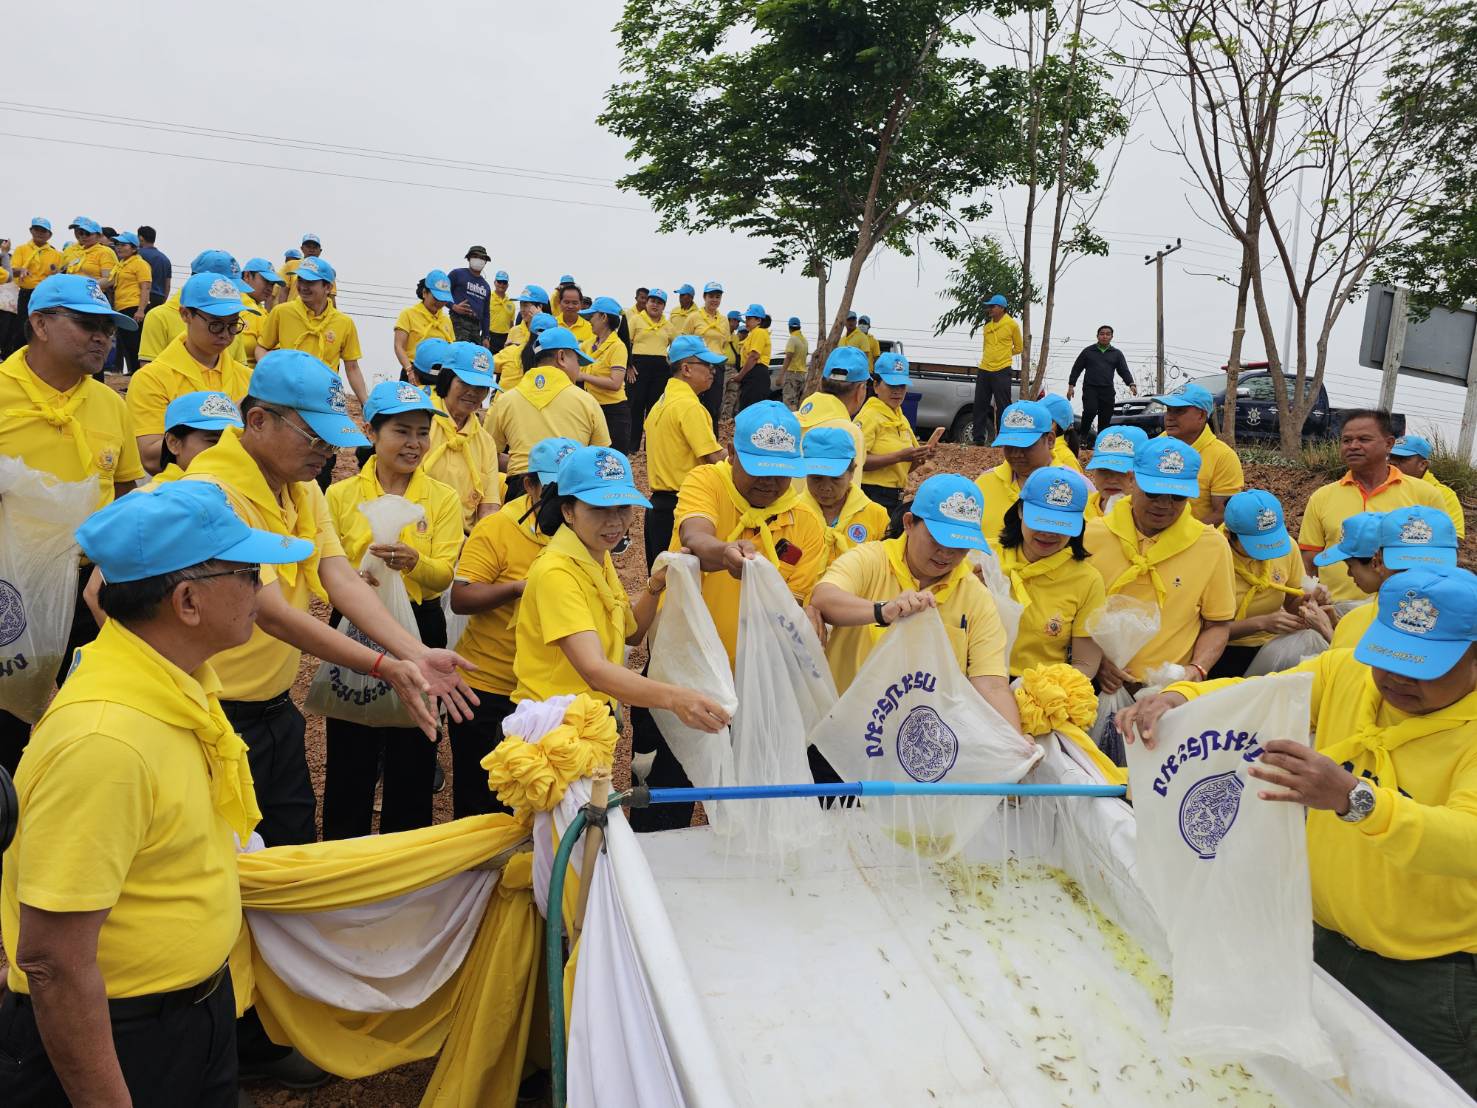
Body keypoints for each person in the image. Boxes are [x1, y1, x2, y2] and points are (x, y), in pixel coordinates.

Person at [0, 481, 314, 1108]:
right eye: (249, 571)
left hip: (191, 1008)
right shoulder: (106, 742)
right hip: (123, 1034)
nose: (264, 587)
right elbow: (54, 962)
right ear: (188, 601)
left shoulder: (177, 682)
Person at [1119, 564, 1477, 1095]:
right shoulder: (1347, 675)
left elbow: (1465, 843)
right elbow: (1256, 697)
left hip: (1425, 976)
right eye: (1389, 658)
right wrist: (1181, 700)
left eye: (1424, 667)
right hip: (1317, 940)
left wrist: (1355, 799)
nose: (1399, 679)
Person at [182, 350, 476, 847]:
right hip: (211, 707)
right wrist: (386, 665)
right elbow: (270, 611)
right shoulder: (214, 495)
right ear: (257, 420)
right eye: (314, 438)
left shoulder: (301, 490)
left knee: (290, 847)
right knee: (220, 856)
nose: (328, 453)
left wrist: (417, 653)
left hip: (273, 707)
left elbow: (335, 573)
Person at [629, 402, 827, 831]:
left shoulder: (805, 521)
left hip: (753, 678)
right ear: (732, 455)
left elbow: (791, 604)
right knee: (670, 780)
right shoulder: (707, 482)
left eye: (781, 470)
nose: (770, 481)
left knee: (748, 788)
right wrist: (726, 553)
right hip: (687, 667)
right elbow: (694, 534)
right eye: (758, 468)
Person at [0, 276, 146, 775]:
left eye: (108, 327)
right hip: (12, 586)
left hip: (91, 586)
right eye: (87, 324)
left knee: (99, 714)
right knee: (5, 717)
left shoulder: (109, 405)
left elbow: (126, 493)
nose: (103, 337)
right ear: (39, 324)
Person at [321, 382, 463, 840]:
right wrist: (354, 581)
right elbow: (323, 566)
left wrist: (415, 562)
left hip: (419, 626)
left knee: (414, 744)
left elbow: (443, 576)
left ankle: (408, 849)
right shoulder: (341, 496)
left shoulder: (441, 498)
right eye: (402, 431)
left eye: (423, 433)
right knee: (350, 740)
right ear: (371, 432)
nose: (415, 444)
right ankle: (346, 850)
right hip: (355, 624)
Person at [515, 444, 729, 727]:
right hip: (553, 727)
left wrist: (655, 585)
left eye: (623, 508)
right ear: (568, 511)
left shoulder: (595, 557)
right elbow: (594, 669)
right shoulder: (557, 573)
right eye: (599, 509)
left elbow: (631, 634)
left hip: (589, 720)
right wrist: (676, 698)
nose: (615, 522)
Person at [810, 472, 1022, 718]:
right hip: (844, 721)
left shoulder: (973, 595)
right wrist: (882, 611)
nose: (946, 554)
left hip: (921, 734)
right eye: (937, 540)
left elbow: (992, 683)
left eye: (960, 545)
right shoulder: (872, 560)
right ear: (909, 523)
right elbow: (824, 598)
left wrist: (1016, 743)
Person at [448, 437, 575, 815]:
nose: (559, 499)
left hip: (542, 692)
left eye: (570, 489)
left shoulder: (579, 532)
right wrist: (521, 588)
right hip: (488, 685)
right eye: (551, 488)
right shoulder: (498, 529)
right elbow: (462, 596)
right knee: (479, 800)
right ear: (529, 485)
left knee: (531, 801)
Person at [1083, 437, 1234, 692]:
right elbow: (1069, 610)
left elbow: (1218, 623)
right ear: (1131, 480)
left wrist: (1197, 669)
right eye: (1153, 493)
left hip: (1164, 693)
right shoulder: (1090, 536)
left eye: (1177, 496)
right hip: (1092, 685)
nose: (1164, 505)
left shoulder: (1211, 546)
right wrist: (1091, 660)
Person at [1299, 409, 1446, 603]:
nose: (1353, 446)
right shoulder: (1322, 497)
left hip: (1397, 609)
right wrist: (1312, 598)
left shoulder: (1425, 495)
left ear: (1389, 444)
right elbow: (1309, 560)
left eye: (1364, 439)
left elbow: (1439, 561)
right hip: (1334, 609)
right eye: (1346, 440)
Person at [128, 271, 254, 474]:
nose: (225, 334)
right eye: (215, 324)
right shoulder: (152, 379)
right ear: (185, 314)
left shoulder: (248, 379)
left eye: (233, 325)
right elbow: (150, 457)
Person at [994, 466, 1105, 681]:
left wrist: (1042, 694)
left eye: (1061, 525)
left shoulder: (1087, 580)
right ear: (1020, 511)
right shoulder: (985, 559)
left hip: (1043, 690)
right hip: (975, 683)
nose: (1048, 533)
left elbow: (1085, 663)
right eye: (1040, 521)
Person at [486, 325, 611, 498]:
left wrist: (523, 464)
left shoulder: (505, 399)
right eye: (578, 361)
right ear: (561, 357)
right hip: (569, 488)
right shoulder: (586, 401)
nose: (579, 369)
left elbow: (488, 453)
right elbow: (601, 457)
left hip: (520, 490)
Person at [1214, 489, 1320, 678]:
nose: (1268, 550)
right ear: (1229, 535)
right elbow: (1202, 630)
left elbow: (1292, 602)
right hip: (1221, 650)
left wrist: (1310, 600)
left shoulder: (1287, 547)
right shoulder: (1212, 555)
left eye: (1270, 540)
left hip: (1274, 647)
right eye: (1256, 545)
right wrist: (1260, 623)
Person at [642, 335, 726, 568]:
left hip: (658, 506)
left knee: (660, 584)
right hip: (684, 508)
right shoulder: (689, 407)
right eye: (707, 365)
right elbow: (714, 457)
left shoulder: (661, 403)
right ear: (686, 368)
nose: (713, 371)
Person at [1325, 507, 1459, 652]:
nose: (1419, 575)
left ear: (1377, 562)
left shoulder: (1353, 622)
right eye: (1404, 569)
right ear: (1377, 562)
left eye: (1433, 567)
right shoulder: (1464, 617)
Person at [425, 341, 503, 531]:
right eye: (465, 383)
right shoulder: (421, 423)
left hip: (462, 539)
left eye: (481, 387)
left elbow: (489, 506)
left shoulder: (485, 442)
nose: (473, 393)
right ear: (446, 380)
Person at [139, 249, 255, 367]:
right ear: (186, 315)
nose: (224, 333)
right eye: (225, 287)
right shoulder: (160, 317)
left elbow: (240, 371)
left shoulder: (231, 324)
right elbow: (150, 370)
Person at [798, 427, 890, 567]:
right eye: (816, 478)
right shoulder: (791, 514)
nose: (825, 487)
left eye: (835, 479)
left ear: (852, 472)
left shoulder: (876, 515)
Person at [1155, 381, 1242, 525]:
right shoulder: (1153, 447)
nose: (1169, 417)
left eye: (1179, 410)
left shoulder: (1223, 457)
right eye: (1168, 410)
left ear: (1201, 416)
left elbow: (1222, 514)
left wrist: (1183, 538)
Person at [856, 352, 930, 515]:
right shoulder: (869, 415)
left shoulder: (900, 417)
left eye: (902, 386)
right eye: (891, 385)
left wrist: (921, 456)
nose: (897, 391)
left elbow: (904, 467)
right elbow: (857, 461)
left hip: (895, 496)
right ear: (875, 385)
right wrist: (899, 456)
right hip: (871, 496)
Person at [973, 399, 1056, 543]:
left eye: (1026, 446)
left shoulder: (1072, 486)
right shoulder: (984, 484)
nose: (1016, 454)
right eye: (1009, 446)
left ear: (1049, 440)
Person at [797, 346, 869, 481]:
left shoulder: (790, 420)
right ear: (861, 390)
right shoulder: (850, 433)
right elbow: (849, 495)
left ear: (821, 383)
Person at [578, 295, 633, 453]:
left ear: (603, 317)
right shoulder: (588, 345)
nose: (589, 321)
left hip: (613, 412)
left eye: (592, 316)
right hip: (591, 409)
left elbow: (615, 383)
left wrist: (583, 377)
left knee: (613, 462)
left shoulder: (617, 347)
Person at [3, 218, 62, 356]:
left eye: (43, 230)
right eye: (36, 229)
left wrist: (56, 273)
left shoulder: (56, 254)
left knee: (45, 325)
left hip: (47, 295)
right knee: (22, 326)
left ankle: (42, 357)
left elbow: (59, 274)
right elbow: (12, 270)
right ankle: (20, 357)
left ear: (50, 235)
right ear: (31, 230)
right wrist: (21, 270)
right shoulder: (21, 249)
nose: (39, 233)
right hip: (26, 293)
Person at [1391, 434, 1465, 540]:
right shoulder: (1382, 486)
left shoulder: (1444, 495)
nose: (1393, 463)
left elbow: (1454, 540)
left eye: (1402, 459)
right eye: (1391, 457)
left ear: (1422, 464)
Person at [627, 287, 678, 441]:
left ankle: (651, 444)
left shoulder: (668, 325)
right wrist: (628, 366)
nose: (655, 305)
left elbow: (677, 346)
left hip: (660, 370)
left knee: (655, 408)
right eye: (652, 301)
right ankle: (632, 444)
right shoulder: (635, 319)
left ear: (664, 306)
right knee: (635, 405)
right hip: (637, 367)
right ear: (647, 302)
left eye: (659, 303)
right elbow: (625, 343)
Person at [1067, 325, 1136, 438]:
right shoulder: (1088, 351)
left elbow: (1123, 370)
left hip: (1107, 390)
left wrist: (1131, 384)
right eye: (1102, 334)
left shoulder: (1116, 354)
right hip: (1091, 388)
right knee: (1090, 411)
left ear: (1111, 337)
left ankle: (1100, 441)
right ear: (1097, 336)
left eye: (1107, 334)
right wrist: (1071, 386)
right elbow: (1076, 368)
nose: (1104, 336)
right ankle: (1083, 438)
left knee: (1105, 418)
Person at [973, 294, 1021, 444]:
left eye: (992, 306)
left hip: (1002, 369)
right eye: (989, 306)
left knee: (1003, 406)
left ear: (1001, 308)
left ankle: (1003, 439)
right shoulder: (987, 327)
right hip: (985, 368)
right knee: (980, 404)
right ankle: (978, 439)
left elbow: (1019, 347)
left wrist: (1005, 354)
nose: (990, 309)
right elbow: (985, 347)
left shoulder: (1012, 325)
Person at [102, 232, 151, 373]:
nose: (118, 247)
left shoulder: (140, 264)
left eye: (123, 244)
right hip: (122, 308)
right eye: (117, 244)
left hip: (134, 307)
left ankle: (139, 376)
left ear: (134, 248)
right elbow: (110, 282)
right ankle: (133, 376)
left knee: (135, 345)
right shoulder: (120, 265)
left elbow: (145, 287)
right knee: (127, 345)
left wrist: (141, 309)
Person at [394, 269, 457, 378]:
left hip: (439, 373)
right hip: (413, 370)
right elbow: (398, 346)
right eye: (436, 298)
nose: (440, 303)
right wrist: (409, 370)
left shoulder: (446, 320)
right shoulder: (408, 314)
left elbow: (452, 350)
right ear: (424, 293)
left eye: (443, 299)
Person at [494, 284, 553, 391]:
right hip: (511, 388)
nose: (521, 310)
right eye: (521, 305)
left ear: (540, 307)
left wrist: (538, 320)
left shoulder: (551, 330)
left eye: (526, 305)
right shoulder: (514, 331)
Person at [1083, 424, 1145, 518]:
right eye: (1103, 470)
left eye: (1122, 471)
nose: (1112, 480)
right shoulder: (1079, 509)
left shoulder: (1153, 519)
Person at [237, 258, 284, 364]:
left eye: (272, 284)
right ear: (247, 276)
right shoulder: (249, 310)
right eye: (266, 281)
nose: (269, 288)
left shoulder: (260, 310)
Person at [448, 246, 493, 345]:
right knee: (459, 353)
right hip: (458, 322)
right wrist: (453, 306)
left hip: (476, 327)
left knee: (473, 357)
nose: (479, 259)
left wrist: (486, 336)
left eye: (482, 258)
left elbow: (486, 314)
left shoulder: (486, 286)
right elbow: (442, 293)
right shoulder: (457, 274)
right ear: (469, 258)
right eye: (475, 256)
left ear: (485, 262)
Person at [735, 302, 772, 412]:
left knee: (750, 411)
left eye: (749, 318)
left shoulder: (759, 332)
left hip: (756, 374)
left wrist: (740, 375)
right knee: (748, 409)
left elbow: (753, 357)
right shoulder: (753, 333)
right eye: (746, 318)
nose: (746, 321)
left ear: (759, 320)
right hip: (753, 374)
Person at [62, 217, 117, 283]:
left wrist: (87, 287)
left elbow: (109, 279)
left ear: (98, 236)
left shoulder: (105, 252)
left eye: (88, 233)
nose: (84, 236)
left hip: (93, 292)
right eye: (81, 233)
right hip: (72, 291)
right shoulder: (75, 251)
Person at [1040, 393, 1085, 474]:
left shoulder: (1067, 458)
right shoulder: (1036, 447)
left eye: (1044, 419)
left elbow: (1076, 485)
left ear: (1058, 425)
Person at [136, 225, 171, 309]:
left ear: (141, 238)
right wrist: (163, 302)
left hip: (142, 297)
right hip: (159, 298)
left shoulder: (138, 255)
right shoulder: (165, 259)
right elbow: (168, 285)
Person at [551, 283, 595, 349]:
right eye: (566, 302)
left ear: (581, 304)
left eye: (575, 303)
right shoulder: (551, 325)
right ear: (559, 303)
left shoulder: (590, 329)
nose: (570, 306)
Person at [780, 316, 809, 409]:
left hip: (792, 374)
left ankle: (789, 422)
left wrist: (781, 375)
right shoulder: (805, 341)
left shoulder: (792, 339)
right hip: (802, 375)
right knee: (796, 402)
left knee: (789, 402)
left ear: (789, 327)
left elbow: (788, 357)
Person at [487, 269, 515, 352]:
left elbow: (511, 324)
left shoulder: (511, 304)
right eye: (499, 282)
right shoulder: (488, 298)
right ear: (494, 282)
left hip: (505, 338)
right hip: (490, 335)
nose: (502, 284)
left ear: (507, 285)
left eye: (504, 282)